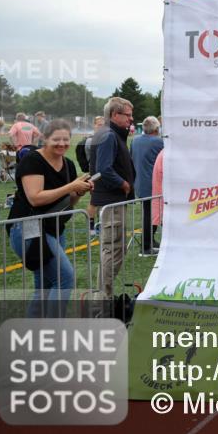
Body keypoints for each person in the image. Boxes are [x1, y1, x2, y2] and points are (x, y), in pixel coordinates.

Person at [7, 120, 93, 316]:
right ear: (44, 139)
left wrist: (80, 191)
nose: (62, 144)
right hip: (28, 227)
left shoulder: (68, 164)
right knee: (65, 279)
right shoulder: (32, 160)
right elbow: (35, 198)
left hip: (53, 228)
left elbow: (68, 202)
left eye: (66, 139)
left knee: (45, 287)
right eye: (56, 139)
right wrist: (71, 186)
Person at [91, 97, 135, 296]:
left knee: (116, 249)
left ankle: (103, 295)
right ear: (115, 115)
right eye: (128, 115)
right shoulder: (108, 135)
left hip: (113, 201)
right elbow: (104, 169)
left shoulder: (110, 134)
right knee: (112, 249)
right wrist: (123, 183)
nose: (131, 119)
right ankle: (102, 298)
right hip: (112, 201)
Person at [130, 116, 164, 255]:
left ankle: (149, 241)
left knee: (148, 213)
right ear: (156, 129)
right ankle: (146, 245)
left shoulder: (135, 140)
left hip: (139, 183)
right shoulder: (159, 142)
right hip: (154, 184)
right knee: (154, 214)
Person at [83, 116, 105, 234]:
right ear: (94, 126)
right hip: (96, 174)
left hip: (101, 173)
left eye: (103, 125)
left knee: (102, 201)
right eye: (99, 124)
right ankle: (91, 227)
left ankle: (99, 225)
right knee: (94, 201)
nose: (101, 127)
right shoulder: (91, 140)